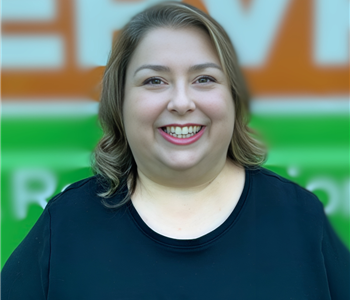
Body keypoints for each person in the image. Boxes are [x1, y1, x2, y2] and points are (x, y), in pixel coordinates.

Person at [1, 2, 349, 299]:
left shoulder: (301, 220)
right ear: (119, 102)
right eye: (154, 80)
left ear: (233, 99)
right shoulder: (67, 224)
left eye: (204, 79)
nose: (182, 102)